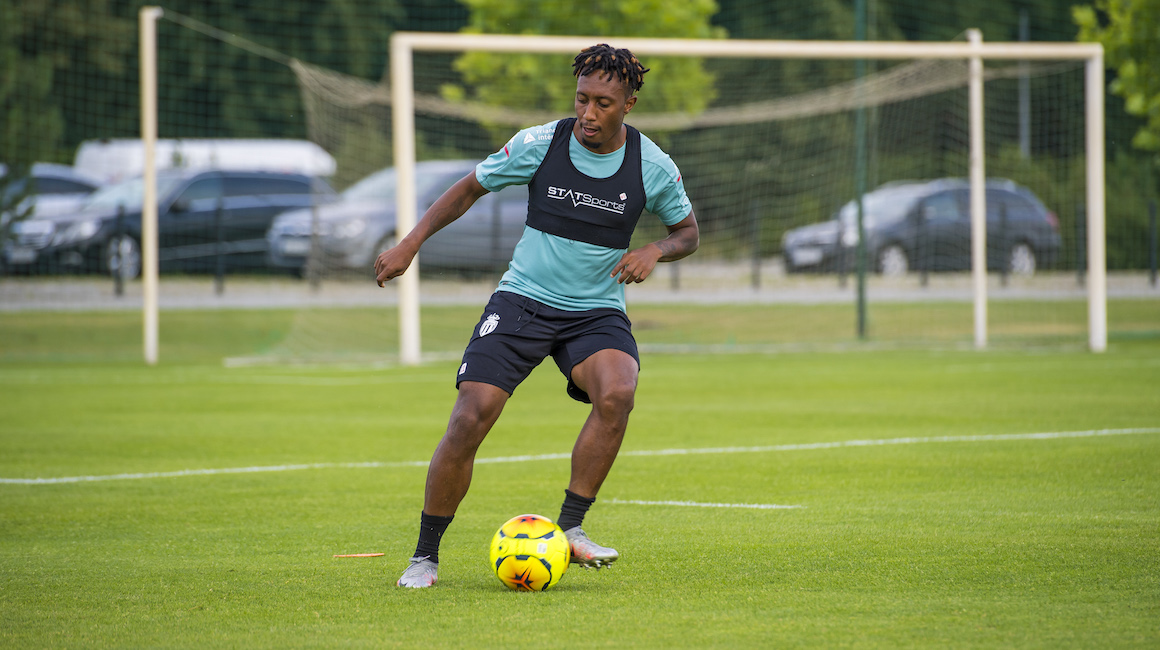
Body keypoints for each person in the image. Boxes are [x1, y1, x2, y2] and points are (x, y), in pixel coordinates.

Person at [375, 43, 699, 588]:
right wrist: (410, 244)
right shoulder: (539, 143)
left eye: (603, 103)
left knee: (618, 393)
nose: (588, 113)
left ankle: (571, 527)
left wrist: (655, 250)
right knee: (470, 416)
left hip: (594, 310)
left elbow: (687, 233)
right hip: (522, 301)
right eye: (582, 99)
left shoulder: (653, 166)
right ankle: (424, 556)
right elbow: (468, 189)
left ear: (629, 105)